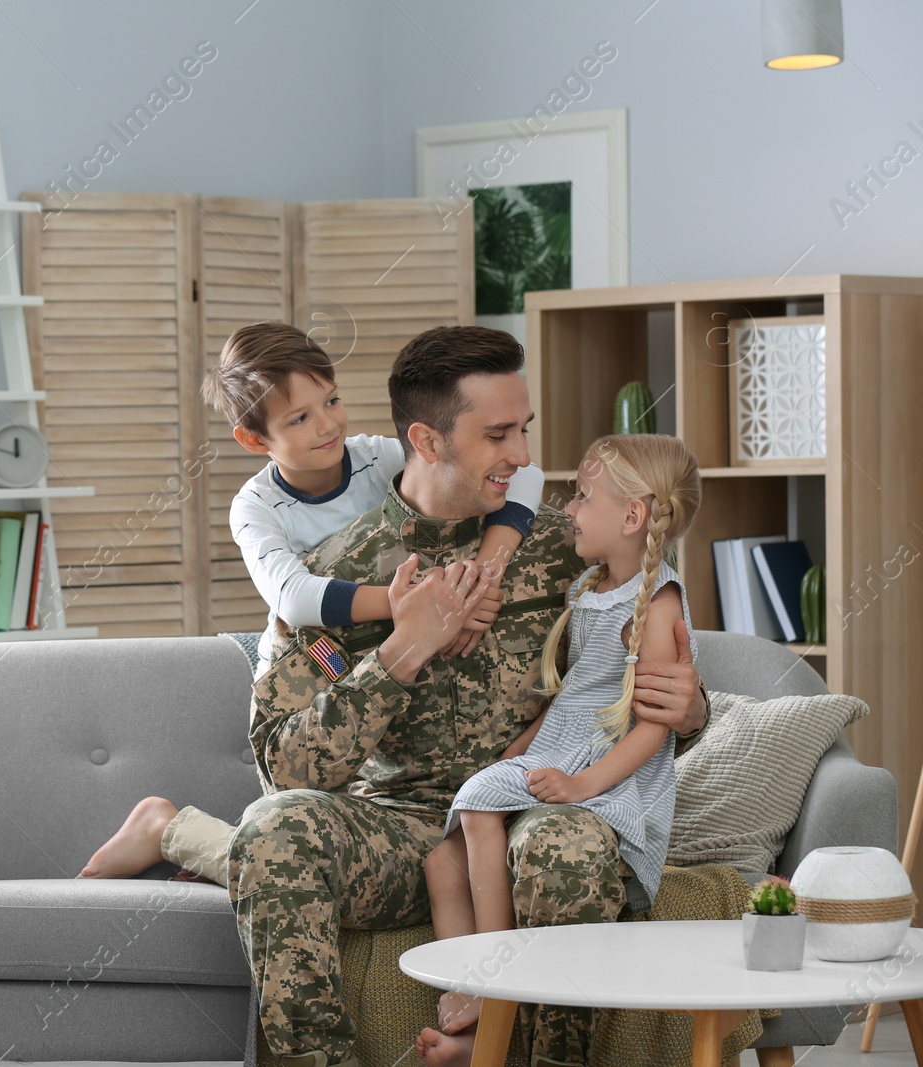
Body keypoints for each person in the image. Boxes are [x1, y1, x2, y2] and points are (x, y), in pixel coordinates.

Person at [231, 325, 710, 1067]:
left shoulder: (573, 550)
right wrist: (401, 649)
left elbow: (649, 692)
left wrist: (692, 709)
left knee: (567, 849)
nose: (522, 455)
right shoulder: (334, 579)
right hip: (398, 832)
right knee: (271, 830)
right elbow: (283, 766)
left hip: (530, 809)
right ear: (426, 438)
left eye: (523, 429)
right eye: (497, 434)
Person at [79, 321, 546, 883]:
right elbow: (295, 598)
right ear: (255, 440)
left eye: (332, 401)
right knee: (301, 816)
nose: (327, 425)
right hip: (310, 652)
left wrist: (486, 573)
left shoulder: (376, 457)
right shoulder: (255, 506)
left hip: (387, 629)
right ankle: (169, 830)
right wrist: (421, 610)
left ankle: (193, 841)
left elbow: (524, 476)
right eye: (299, 418)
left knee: (312, 843)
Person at [416, 434, 703, 1065]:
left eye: (582, 496)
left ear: (633, 517)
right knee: (442, 858)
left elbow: (654, 730)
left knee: (478, 809)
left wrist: (581, 787)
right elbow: (569, 697)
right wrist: (516, 752)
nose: (568, 509)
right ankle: (462, 992)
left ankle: (495, 992)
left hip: (601, 773)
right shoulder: (589, 589)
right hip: (563, 749)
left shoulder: (656, 605)